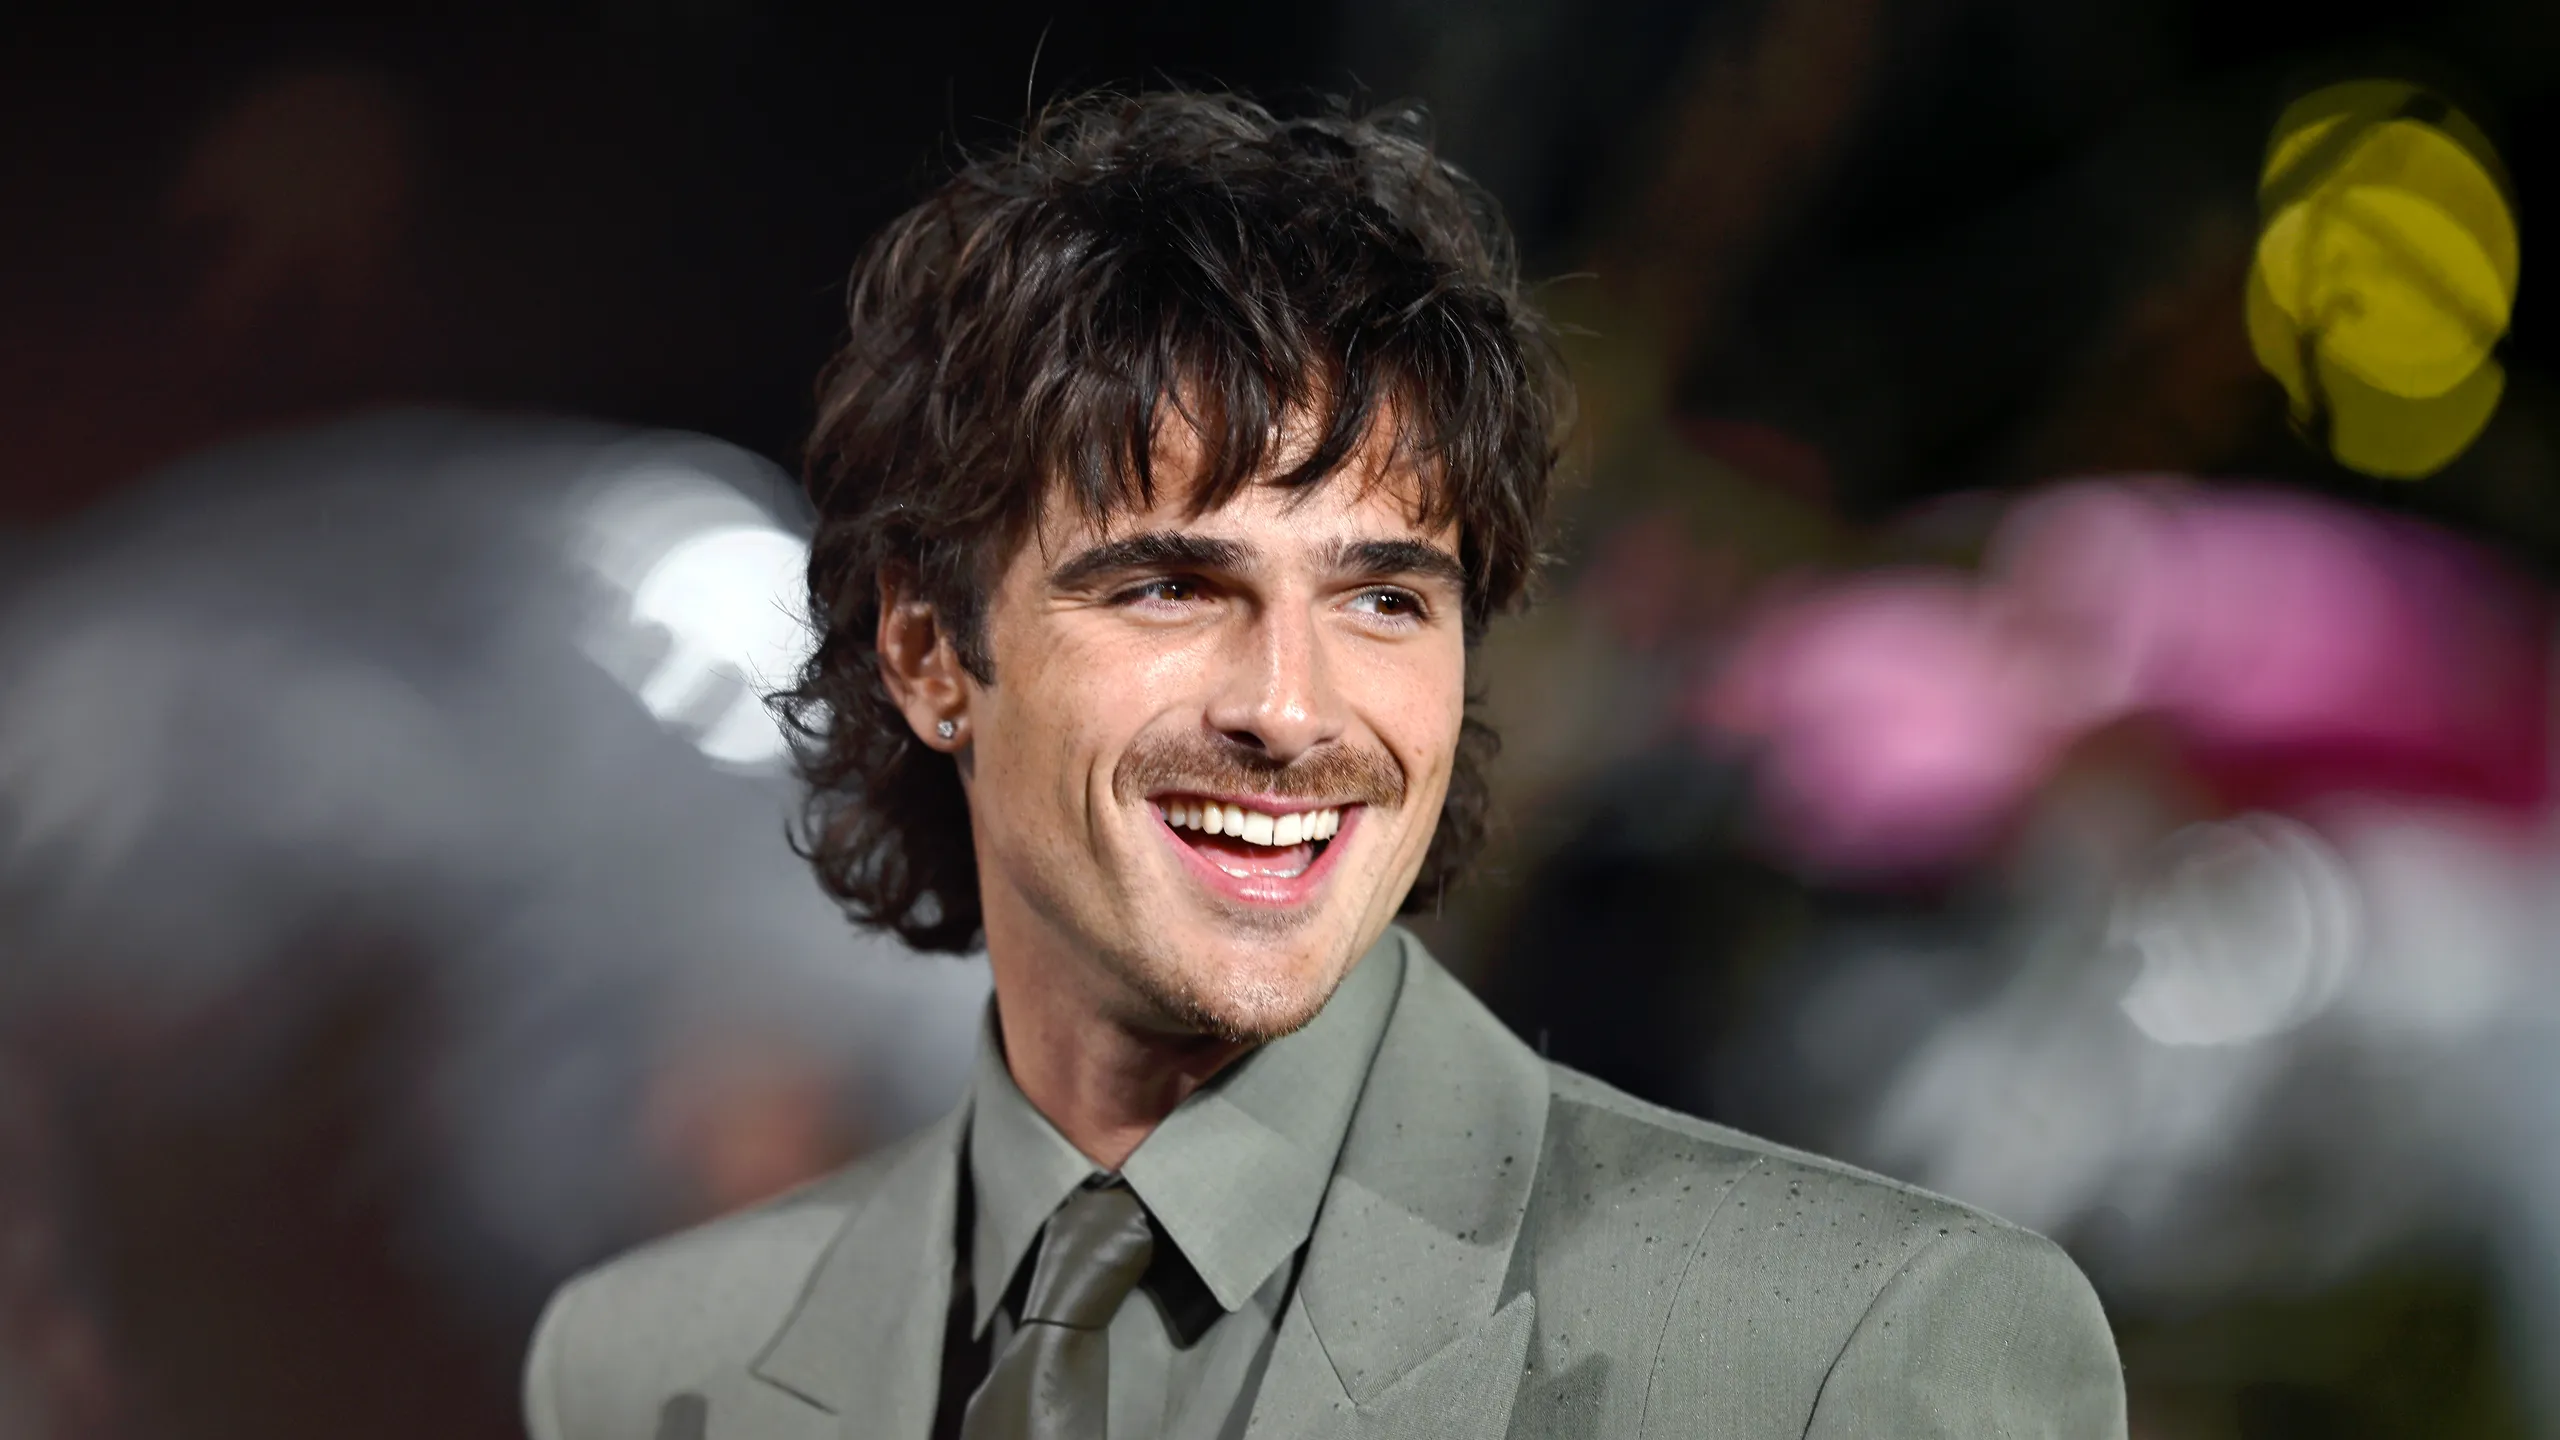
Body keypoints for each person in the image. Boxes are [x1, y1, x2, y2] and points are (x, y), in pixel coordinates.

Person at [521, 90, 2127, 1440]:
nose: (1293, 711)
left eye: (1383, 599)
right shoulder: (644, 1368)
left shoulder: (1855, 1354)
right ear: (932, 654)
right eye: (1171, 586)